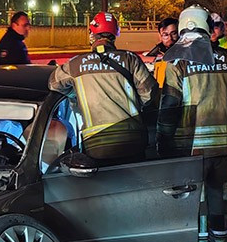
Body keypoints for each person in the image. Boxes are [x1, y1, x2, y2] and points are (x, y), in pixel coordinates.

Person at [157, 5, 227, 242]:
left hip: (194, 143)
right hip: (226, 143)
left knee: (197, 198)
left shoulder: (176, 60)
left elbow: (170, 105)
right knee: (221, 194)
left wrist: (163, 140)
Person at [48, 12, 155, 164]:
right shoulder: (130, 59)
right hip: (133, 141)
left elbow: (53, 84)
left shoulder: (76, 64)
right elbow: (150, 94)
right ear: (115, 34)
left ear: (91, 35)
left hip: (97, 145)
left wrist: (75, 94)